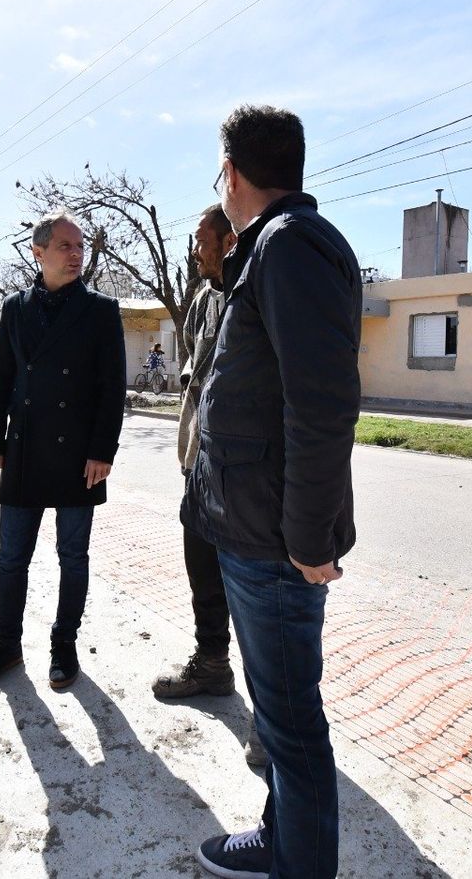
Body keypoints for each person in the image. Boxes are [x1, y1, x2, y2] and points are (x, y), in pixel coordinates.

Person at [183, 105, 361, 879]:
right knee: (278, 714)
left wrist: (309, 541)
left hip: (277, 547)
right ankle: (280, 838)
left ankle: (301, 864)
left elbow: (320, 407)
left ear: (233, 171)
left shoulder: (289, 248)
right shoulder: (267, 249)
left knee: (291, 724)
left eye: (219, 169)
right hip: (250, 530)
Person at [0, 212, 126, 693]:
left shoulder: (100, 309)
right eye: (64, 246)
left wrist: (103, 450)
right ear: (38, 252)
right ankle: (7, 643)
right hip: (24, 450)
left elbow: (111, 387)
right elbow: (3, 380)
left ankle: (64, 643)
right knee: (11, 557)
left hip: (80, 455)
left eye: (80, 246)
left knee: (72, 557)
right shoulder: (15, 307)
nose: (76, 254)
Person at [151, 203, 267, 768]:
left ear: (227, 241)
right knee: (201, 560)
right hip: (199, 455)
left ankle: (272, 718)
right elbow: (195, 376)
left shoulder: (254, 288)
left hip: (244, 468)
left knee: (252, 586)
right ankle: (212, 664)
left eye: (201, 239)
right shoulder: (202, 298)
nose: (194, 249)